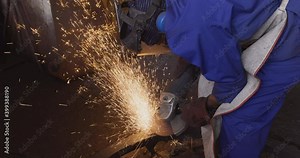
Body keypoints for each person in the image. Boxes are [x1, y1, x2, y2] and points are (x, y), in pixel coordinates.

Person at [164, 0, 300, 157]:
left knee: (240, 114)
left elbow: (232, 85)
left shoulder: (191, 23)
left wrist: (205, 106)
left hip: (293, 28)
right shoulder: (189, 15)